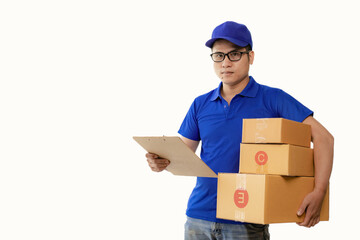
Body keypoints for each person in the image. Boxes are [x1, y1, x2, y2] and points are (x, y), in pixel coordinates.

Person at [146, 21, 334, 240]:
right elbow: (182, 156)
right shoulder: (200, 104)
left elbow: (324, 138)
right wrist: (160, 162)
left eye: (234, 54)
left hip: (246, 219)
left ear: (250, 57)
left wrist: (319, 192)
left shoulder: (273, 99)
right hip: (198, 217)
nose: (225, 63)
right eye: (218, 56)